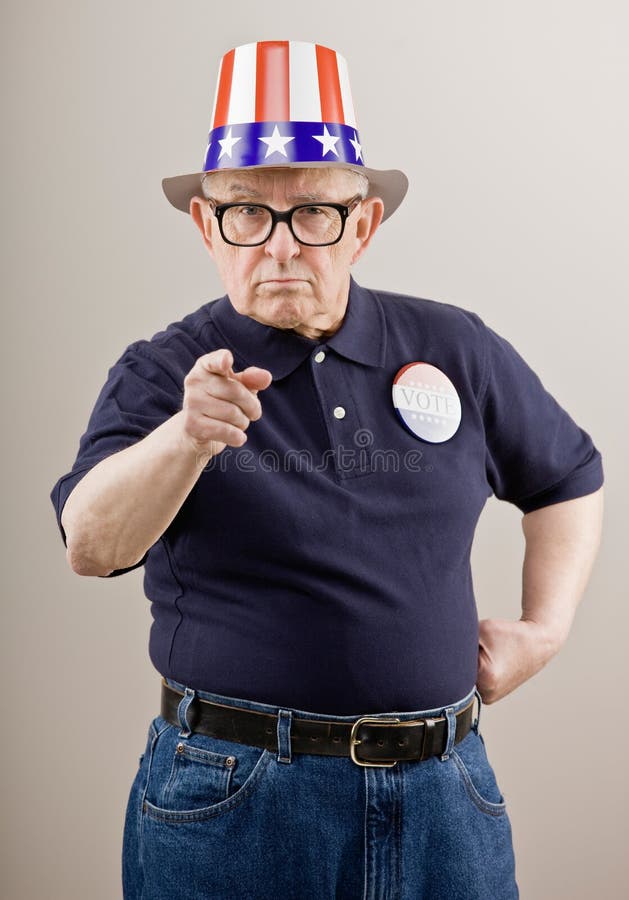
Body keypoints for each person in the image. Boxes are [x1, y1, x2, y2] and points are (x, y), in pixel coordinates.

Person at [50, 40, 604, 900]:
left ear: (362, 224)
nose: (277, 248)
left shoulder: (452, 347)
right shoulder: (165, 372)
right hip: (235, 801)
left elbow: (566, 476)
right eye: (245, 213)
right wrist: (184, 438)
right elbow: (89, 544)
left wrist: (545, 631)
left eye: (312, 213)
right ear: (206, 225)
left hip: (445, 799)